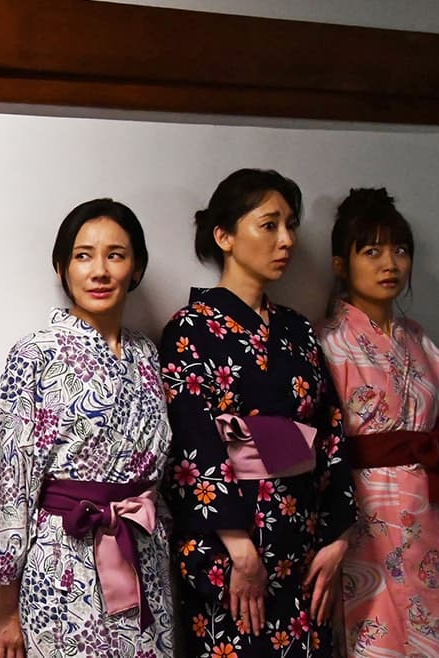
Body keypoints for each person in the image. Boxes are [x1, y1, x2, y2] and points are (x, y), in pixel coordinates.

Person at [160, 169, 356, 657]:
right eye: (269, 225)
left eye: (290, 225)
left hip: (304, 544)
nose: (286, 240)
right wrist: (239, 547)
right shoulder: (191, 329)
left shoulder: (298, 331)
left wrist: (337, 537)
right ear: (224, 236)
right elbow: (193, 443)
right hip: (232, 549)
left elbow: (330, 431)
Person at [0, 198, 175, 657]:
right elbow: (6, 481)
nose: (99, 271)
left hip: (141, 558)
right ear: (62, 268)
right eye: (83, 256)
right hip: (63, 564)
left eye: (115, 255)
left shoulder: (147, 355)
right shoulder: (35, 354)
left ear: (136, 268)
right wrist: (6, 609)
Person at [316, 188, 439, 657]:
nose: (390, 263)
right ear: (341, 264)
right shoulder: (326, 342)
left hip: (429, 510)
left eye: (400, 250)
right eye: (371, 251)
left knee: (438, 632)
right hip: (364, 513)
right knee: (375, 635)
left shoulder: (421, 341)